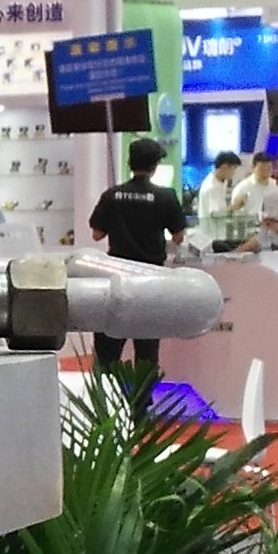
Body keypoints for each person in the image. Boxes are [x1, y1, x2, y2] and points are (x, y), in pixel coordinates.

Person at [86, 134, 189, 391]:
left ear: (130, 162)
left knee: (109, 346)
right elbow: (178, 236)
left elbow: (97, 233)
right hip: (150, 279)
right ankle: (141, 404)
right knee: (146, 350)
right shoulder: (165, 196)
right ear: (155, 166)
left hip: (117, 279)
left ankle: (105, 400)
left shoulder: (112, 195)